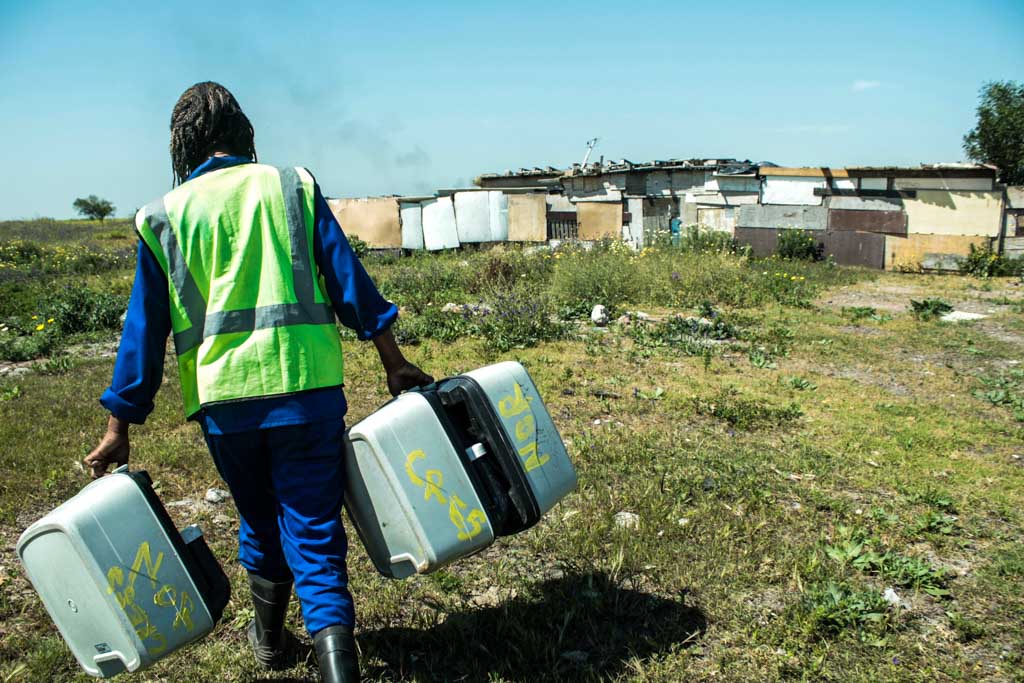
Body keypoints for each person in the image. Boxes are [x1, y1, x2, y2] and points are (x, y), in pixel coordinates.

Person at [83, 81, 431, 683]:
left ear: (183, 143)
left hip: (225, 406)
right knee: (314, 531)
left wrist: (120, 426)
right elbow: (351, 285)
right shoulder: (290, 186)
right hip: (306, 391)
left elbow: (143, 333)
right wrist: (393, 361)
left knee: (258, 518)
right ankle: (335, 667)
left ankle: (269, 644)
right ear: (243, 133)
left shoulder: (162, 217)